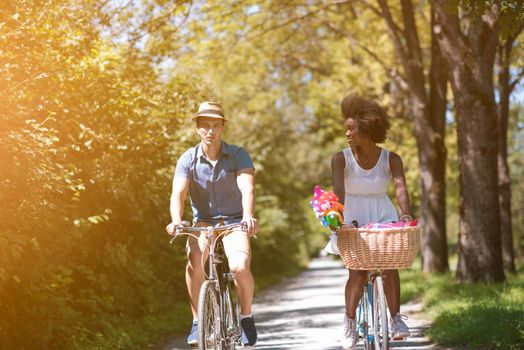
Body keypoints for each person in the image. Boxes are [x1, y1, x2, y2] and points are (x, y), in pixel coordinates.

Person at [165, 101, 259, 348]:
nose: (210, 131)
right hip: (203, 223)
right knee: (195, 259)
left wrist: (248, 215)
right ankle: (197, 321)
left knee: (239, 267)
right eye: (205, 126)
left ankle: (246, 317)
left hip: (234, 222)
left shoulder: (238, 155)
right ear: (198, 128)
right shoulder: (187, 159)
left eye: (215, 125)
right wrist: (176, 220)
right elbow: (178, 194)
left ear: (222, 128)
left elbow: (247, 188)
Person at [330, 94, 411, 349]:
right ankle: (350, 322)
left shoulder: (391, 158)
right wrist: (339, 220)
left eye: (351, 128)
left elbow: (400, 189)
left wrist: (405, 215)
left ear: (366, 128)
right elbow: (338, 193)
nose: (347, 133)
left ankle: (396, 318)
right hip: (352, 215)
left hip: (382, 213)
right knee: (357, 272)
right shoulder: (341, 159)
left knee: (389, 265)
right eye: (346, 128)